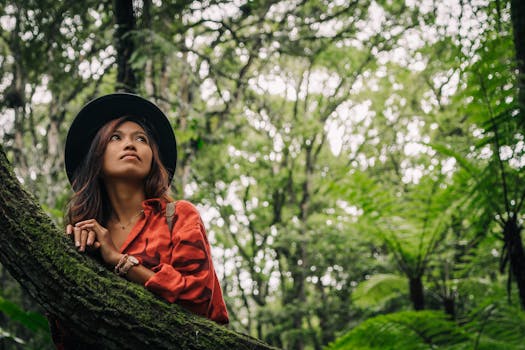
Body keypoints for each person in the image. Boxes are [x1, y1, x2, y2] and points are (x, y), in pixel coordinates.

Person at [51, 93, 228, 348]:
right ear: (97, 158)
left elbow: (198, 300)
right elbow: (66, 334)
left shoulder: (179, 216)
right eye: (116, 137)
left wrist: (118, 260)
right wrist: (71, 259)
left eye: (141, 139)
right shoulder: (88, 236)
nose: (130, 144)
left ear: (152, 158)